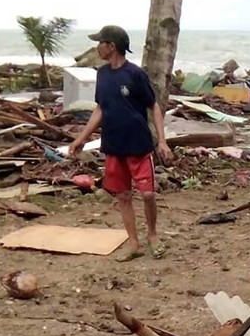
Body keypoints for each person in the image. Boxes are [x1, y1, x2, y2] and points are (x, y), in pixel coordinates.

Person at [69, 25, 173, 261]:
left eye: (100, 42)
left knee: (147, 195)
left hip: (138, 144)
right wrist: (81, 139)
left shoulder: (135, 74)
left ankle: (153, 236)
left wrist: (163, 142)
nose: (97, 47)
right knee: (123, 196)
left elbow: (153, 106)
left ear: (111, 46)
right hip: (113, 146)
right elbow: (100, 109)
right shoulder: (102, 74)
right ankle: (134, 243)